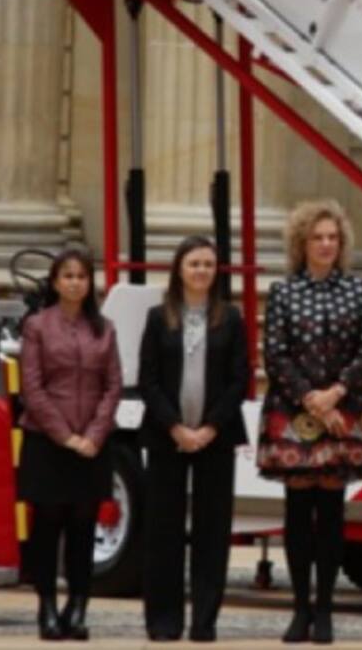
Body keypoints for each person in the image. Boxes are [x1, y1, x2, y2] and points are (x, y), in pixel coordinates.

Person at [257, 200, 362, 644]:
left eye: (333, 237)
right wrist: (311, 399)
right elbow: (275, 353)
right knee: (296, 512)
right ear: (302, 243)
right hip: (295, 411)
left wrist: (335, 396)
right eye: (318, 237)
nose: (327, 244)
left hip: (343, 410)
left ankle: (325, 610)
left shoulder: (358, 290)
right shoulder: (284, 292)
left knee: (330, 514)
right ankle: (300, 609)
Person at [139, 236, 249, 642]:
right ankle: (163, 622)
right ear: (179, 270)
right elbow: (147, 380)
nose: (202, 271)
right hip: (168, 436)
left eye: (208, 264)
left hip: (214, 438)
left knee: (212, 531)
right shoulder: (157, 317)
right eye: (194, 264)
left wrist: (208, 428)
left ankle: (204, 622)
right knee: (162, 531)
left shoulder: (231, 317)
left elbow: (240, 379)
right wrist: (176, 428)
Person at [17, 248, 122, 641]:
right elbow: (32, 387)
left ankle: (78, 607)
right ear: (55, 282)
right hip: (48, 441)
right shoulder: (38, 326)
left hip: (92, 444)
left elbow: (113, 386)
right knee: (47, 527)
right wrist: (65, 436)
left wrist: (93, 435)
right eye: (67, 276)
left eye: (82, 276)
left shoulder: (105, 328)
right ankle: (45, 606)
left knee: (83, 528)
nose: (75, 282)